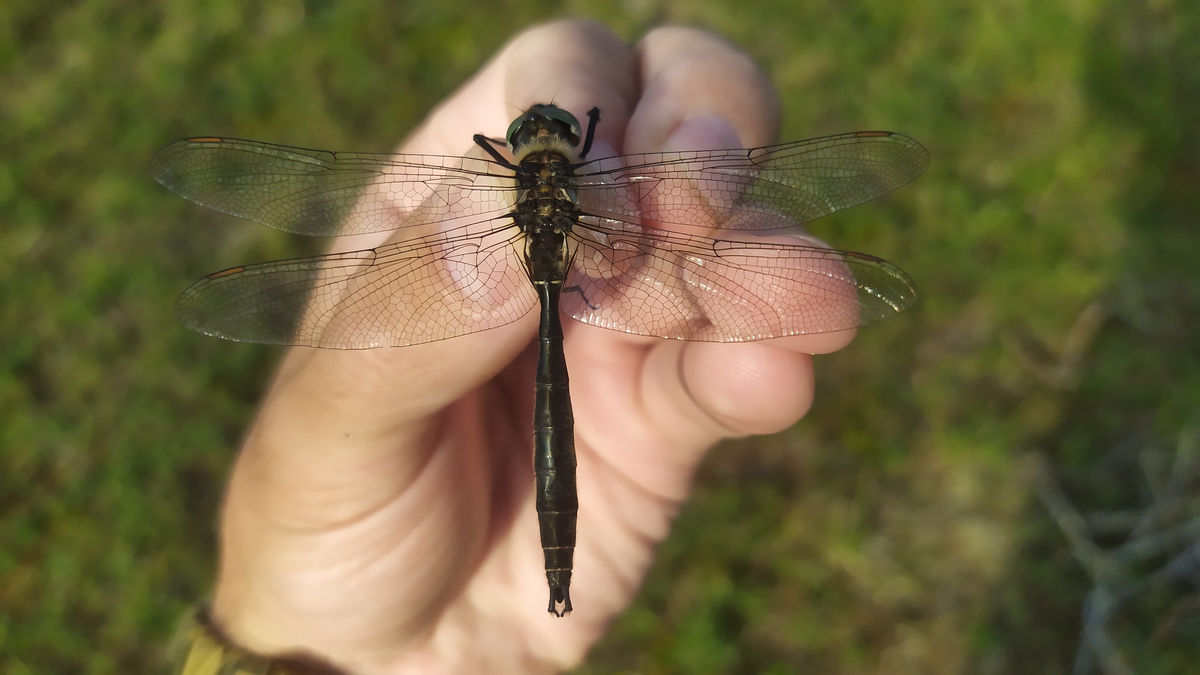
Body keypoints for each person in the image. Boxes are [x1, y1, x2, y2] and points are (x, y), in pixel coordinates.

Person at [173, 19, 854, 675]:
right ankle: (560, 574)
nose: (545, 129)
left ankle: (556, 574)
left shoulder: (516, 178)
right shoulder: (585, 175)